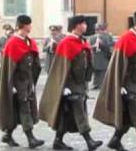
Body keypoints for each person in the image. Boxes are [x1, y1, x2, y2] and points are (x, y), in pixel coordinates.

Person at [93, 10, 136, 151]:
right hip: (129, 83)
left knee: (130, 114)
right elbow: (117, 65)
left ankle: (115, 140)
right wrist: (119, 84)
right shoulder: (126, 39)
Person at [39, 15, 103, 151]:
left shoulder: (82, 41)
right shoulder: (66, 42)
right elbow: (61, 67)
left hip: (79, 83)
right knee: (80, 112)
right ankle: (89, 141)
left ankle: (58, 141)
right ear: (77, 26)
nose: (86, 25)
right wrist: (64, 86)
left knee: (66, 115)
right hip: (70, 84)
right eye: (83, 23)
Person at [0, 15, 44, 149]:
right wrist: (11, 85)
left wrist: (32, 80)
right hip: (17, 83)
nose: (31, 27)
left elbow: (33, 62)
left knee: (16, 110)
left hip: (27, 81)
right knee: (24, 108)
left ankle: (7, 135)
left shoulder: (29, 41)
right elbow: (9, 68)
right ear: (24, 26)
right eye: (29, 24)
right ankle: (31, 138)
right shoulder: (13, 43)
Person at [89, 23, 114, 90]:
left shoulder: (91, 37)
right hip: (104, 56)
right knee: (103, 71)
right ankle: (102, 84)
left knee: (96, 72)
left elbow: (90, 47)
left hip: (95, 56)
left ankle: (96, 84)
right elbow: (110, 46)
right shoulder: (107, 36)